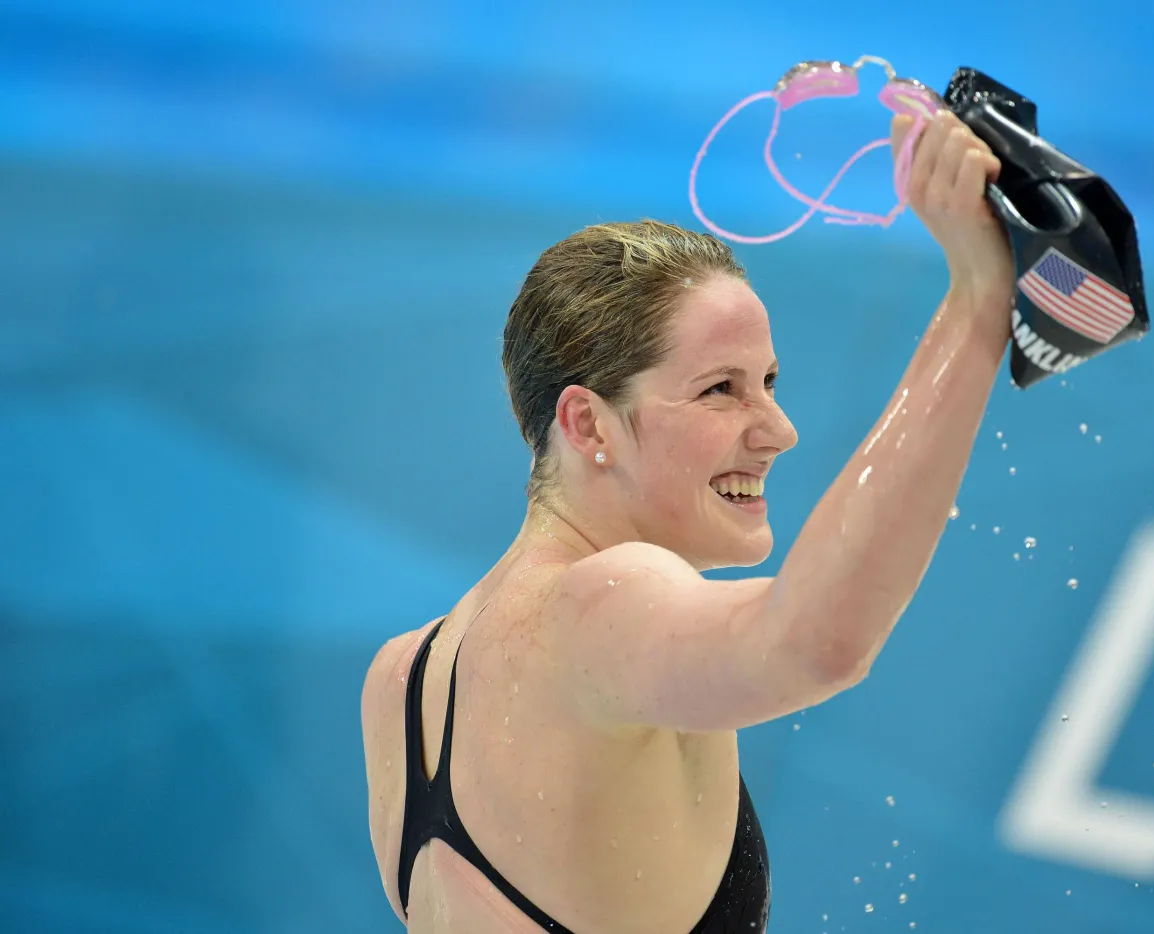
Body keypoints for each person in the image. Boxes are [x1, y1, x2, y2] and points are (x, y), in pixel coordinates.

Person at [361, 107, 1015, 933]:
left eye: (770, 382)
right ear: (588, 424)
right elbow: (817, 640)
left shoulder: (401, 679)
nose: (778, 430)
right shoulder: (606, 603)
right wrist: (979, 302)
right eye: (721, 389)